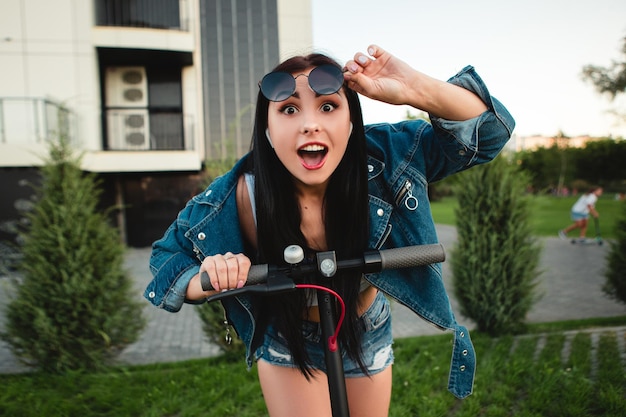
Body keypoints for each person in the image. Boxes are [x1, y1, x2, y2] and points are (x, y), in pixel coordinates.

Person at [145, 44, 515, 416]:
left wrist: (412, 88)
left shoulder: (386, 158)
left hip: (365, 324)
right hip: (288, 334)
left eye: (328, 106)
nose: (310, 123)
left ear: (351, 122)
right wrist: (209, 277)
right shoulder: (237, 196)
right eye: (289, 109)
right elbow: (166, 259)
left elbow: (489, 134)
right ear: (269, 131)